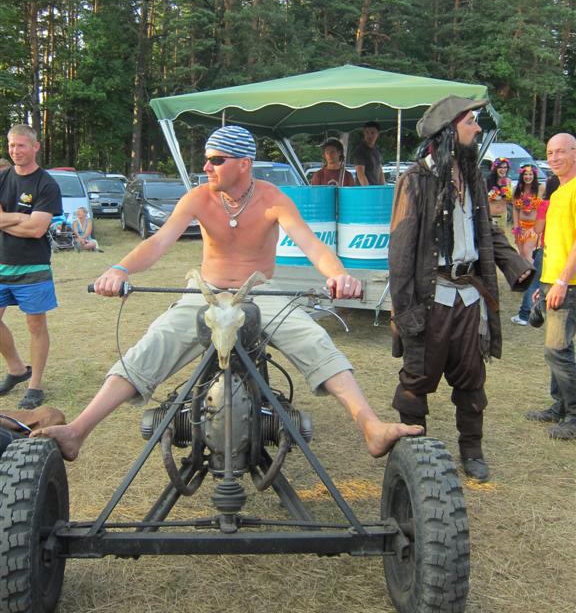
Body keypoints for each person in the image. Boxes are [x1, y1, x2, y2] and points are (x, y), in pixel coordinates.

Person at [32, 125, 423, 460]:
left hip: (261, 293)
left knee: (315, 340)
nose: (206, 167)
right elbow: (159, 241)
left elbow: (312, 245)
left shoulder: (273, 198)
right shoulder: (199, 198)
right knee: (154, 342)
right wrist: (119, 269)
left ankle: (370, 426)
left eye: (216, 160)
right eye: (207, 159)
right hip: (205, 291)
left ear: (244, 163)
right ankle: (78, 430)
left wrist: (339, 274)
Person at [388, 96, 533, 482]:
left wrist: (517, 268)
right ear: (449, 131)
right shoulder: (415, 180)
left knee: (471, 377)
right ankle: (415, 452)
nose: (478, 128)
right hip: (431, 297)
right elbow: (400, 252)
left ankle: (472, 450)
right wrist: (405, 312)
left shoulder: (472, 177)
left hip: (469, 297)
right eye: (471, 121)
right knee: (417, 378)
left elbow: (487, 231)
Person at [0, 124, 63, 409]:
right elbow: (28, 223)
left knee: (35, 326)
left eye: (21, 145)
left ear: (35, 147)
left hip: (33, 266)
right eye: (11, 145)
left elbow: (37, 229)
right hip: (1, 262)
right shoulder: (2, 178)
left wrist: (6, 219)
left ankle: (34, 385)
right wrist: (21, 218)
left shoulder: (46, 184)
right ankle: (16, 369)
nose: (15, 151)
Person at [527, 133, 576, 439]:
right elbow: (555, 244)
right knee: (557, 349)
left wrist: (561, 281)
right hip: (553, 282)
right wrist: (544, 282)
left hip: (569, 285)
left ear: (575, 153)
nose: (554, 157)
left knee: (557, 349)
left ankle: (574, 414)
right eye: (549, 152)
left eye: (561, 151)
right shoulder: (558, 192)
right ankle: (560, 406)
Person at [511, 174, 559, 326]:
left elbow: (538, 229)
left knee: (535, 281)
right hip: (564, 250)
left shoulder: (545, 204)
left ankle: (524, 314)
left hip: (547, 247)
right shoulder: (565, 202)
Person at [512, 163, 541, 263]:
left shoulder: (540, 189)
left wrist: (541, 227)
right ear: (522, 175)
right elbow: (515, 209)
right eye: (525, 174)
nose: (528, 177)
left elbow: (545, 208)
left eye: (530, 174)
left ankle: (535, 272)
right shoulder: (516, 190)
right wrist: (516, 227)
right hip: (520, 227)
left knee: (527, 252)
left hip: (533, 227)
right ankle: (526, 273)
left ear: (534, 175)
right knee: (521, 254)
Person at [353, 121, 384, 186]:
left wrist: (383, 188)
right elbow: (360, 174)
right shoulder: (360, 151)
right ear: (364, 133)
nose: (369, 135)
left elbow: (380, 171)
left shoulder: (377, 150)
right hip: (364, 189)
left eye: (372, 133)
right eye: (367, 132)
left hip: (376, 188)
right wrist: (368, 190)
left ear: (377, 134)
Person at [486, 157, 512, 229]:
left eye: (505, 167)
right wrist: (494, 194)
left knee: (502, 234)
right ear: (495, 168)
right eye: (500, 167)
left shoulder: (508, 181)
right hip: (492, 215)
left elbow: (509, 200)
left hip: (503, 214)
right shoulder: (489, 180)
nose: (503, 170)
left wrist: (507, 195)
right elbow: (486, 200)